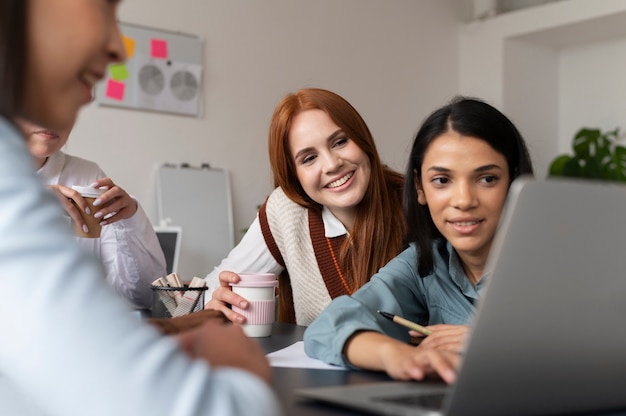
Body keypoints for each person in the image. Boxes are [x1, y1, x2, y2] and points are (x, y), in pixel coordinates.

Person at [0, 1, 281, 416]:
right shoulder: (14, 192)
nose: (118, 49)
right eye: (103, 9)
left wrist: (129, 219)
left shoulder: (77, 175)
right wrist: (243, 375)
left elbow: (133, 298)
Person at [303, 97, 534, 382]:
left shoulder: (557, 262)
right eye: (441, 180)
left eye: (486, 179)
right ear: (420, 188)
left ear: (514, 182)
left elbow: (599, 342)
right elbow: (328, 327)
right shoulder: (422, 263)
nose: (463, 201)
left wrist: (495, 342)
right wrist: (395, 354)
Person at [205, 88, 406, 326]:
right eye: (309, 158)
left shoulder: (417, 202)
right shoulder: (287, 210)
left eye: (340, 142)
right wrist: (212, 300)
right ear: (294, 176)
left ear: (363, 139)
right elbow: (212, 287)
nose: (332, 164)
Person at [17, 119, 167, 310]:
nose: (53, 117)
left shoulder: (87, 176)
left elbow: (142, 297)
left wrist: (130, 220)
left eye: (66, 104)